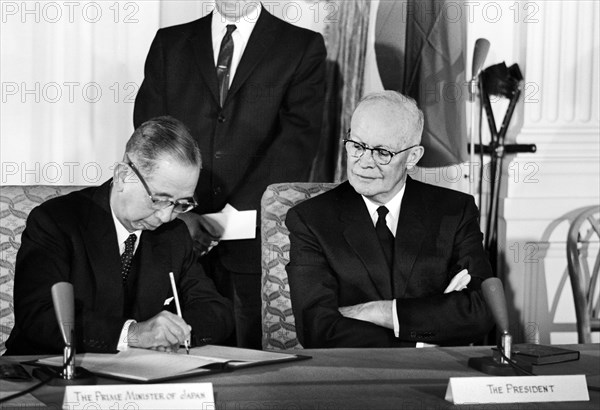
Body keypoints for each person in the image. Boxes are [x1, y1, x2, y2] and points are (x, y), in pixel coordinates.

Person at [134, 0, 326, 348]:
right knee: (171, 349)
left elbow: (297, 141)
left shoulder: (301, 46)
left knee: (246, 358)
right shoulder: (170, 42)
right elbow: (150, 134)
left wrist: (232, 215)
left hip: (251, 235)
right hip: (175, 232)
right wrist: (182, 213)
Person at [4, 116, 234, 355]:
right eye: (159, 200)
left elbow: (216, 310)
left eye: (180, 204)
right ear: (123, 176)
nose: (166, 216)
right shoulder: (57, 222)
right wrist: (133, 334)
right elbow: (38, 315)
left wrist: (177, 332)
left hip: (142, 378)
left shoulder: (173, 235)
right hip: (46, 373)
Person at [286, 91, 494, 348]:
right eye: (357, 146)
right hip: (353, 376)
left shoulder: (453, 211)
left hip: (439, 375)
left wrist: (375, 312)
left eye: (382, 152)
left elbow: (481, 312)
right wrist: (422, 336)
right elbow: (317, 329)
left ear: (413, 157)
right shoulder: (311, 220)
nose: (364, 163)